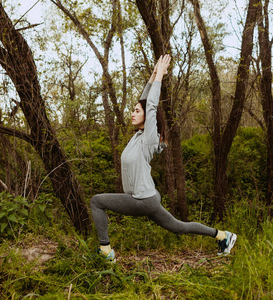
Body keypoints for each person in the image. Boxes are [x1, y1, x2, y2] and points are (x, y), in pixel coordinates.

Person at [90, 54, 236, 262]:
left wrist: (159, 77)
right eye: (133, 110)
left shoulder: (149, 138)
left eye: (136, 111)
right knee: (179, 227)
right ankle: (223, 236)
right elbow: (144, 100)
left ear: (147, 118)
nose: (132, 113)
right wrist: (151, 78)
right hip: (147, 198)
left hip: (142, 200)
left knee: (96, 202)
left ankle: (105, 252)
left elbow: (149, 105)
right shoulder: (138, 136)